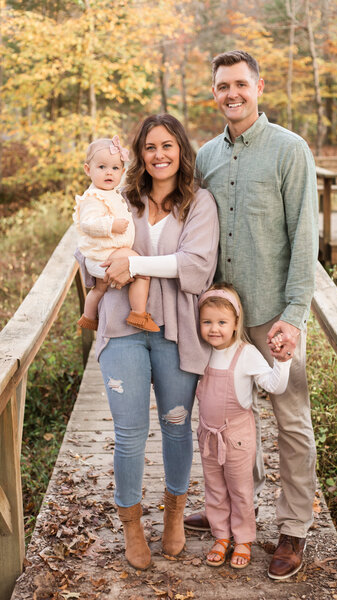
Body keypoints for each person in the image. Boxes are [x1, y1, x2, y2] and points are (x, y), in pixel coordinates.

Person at [184, 50, 319, 580]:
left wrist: (295, 314)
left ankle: (292, 529)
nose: (232, 93)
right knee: (230, 416)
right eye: (222, 86)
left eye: (241, 83)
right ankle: (241, 514)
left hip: (273, 315)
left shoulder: (290, 150)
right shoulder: (206, 157)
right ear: (214, 93)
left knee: (290, 422)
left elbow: (305, 238)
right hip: (223, 320)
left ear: (259, 86)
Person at [75, 114, 219, 570]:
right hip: (121, 327)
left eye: (167, 146)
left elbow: (196, 266)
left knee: (177, 424)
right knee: (129, 433)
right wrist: (103, 264)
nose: (159, 155)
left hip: (176, 331)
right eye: (150, 147)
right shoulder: (122, 198)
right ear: (140, 153)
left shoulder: (200, 204)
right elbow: (85, 246)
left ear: (181, 150)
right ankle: (132, 526)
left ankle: (175, 514)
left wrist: (134, 264)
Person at [197, 283, 291, 570]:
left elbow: (274, 385)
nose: (214, 329)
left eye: (222, 322)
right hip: (208, 435)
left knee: (240, 489)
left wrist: (282, 362)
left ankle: (243, 539)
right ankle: (221, 535)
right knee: (214, 488)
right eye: (207, 322)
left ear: (236, 322)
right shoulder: (201, 351)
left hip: (237, 436)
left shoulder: (246, 353)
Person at [73, 135, 159, 332]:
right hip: (106, 252)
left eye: (115, 168)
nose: (108, 173)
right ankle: (138, 314)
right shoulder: (93, 197)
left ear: (122, 171)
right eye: (101, 167)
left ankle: (88, 318)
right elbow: (87, 223)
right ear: (88, 170)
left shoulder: (112, 192)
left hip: (107, 251)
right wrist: (110, 225)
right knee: (140, 268)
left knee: (100, 288)